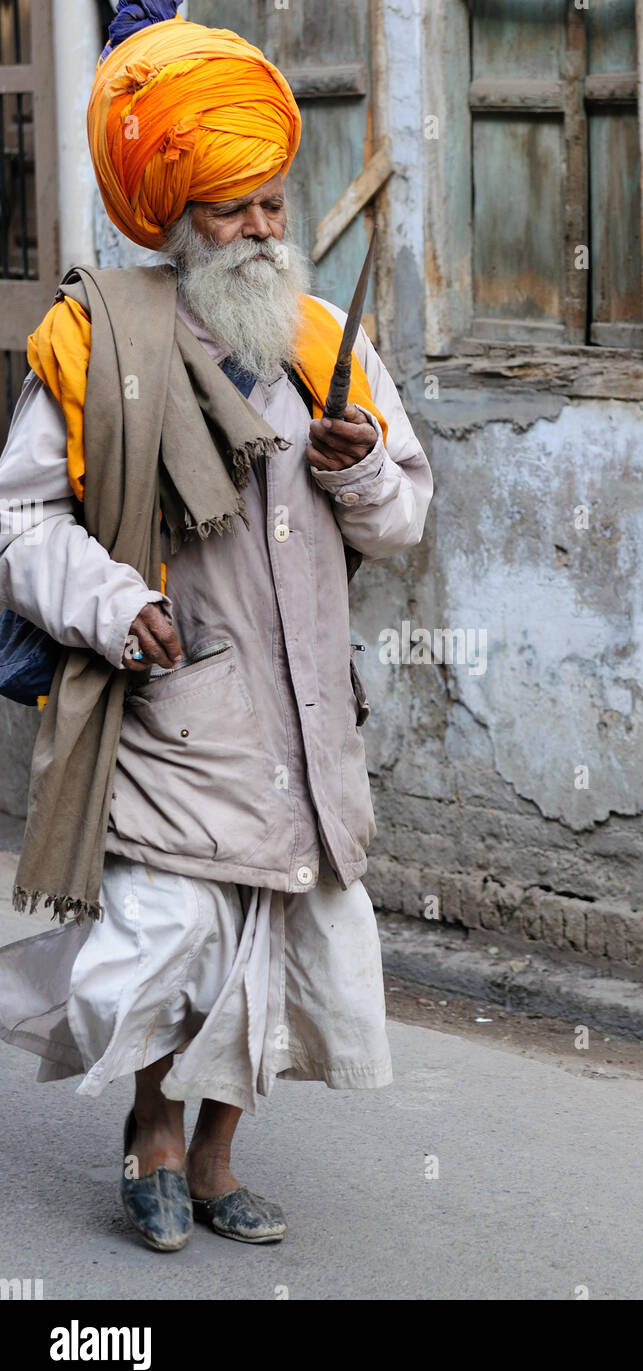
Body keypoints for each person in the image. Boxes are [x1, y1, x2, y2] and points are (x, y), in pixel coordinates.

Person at [0, 2, 432, 1252]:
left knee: (282, 943)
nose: (258, 231)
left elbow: (402, 520)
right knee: (175, 944)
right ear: (174, 216)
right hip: (177, 710)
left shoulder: (316, 347)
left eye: (271, 205)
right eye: (230, 208)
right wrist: (120, 602)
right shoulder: (94, 339)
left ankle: (217, 1160)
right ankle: (149, 1135)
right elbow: (19, 525)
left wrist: (356, 469)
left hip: (305, 717)